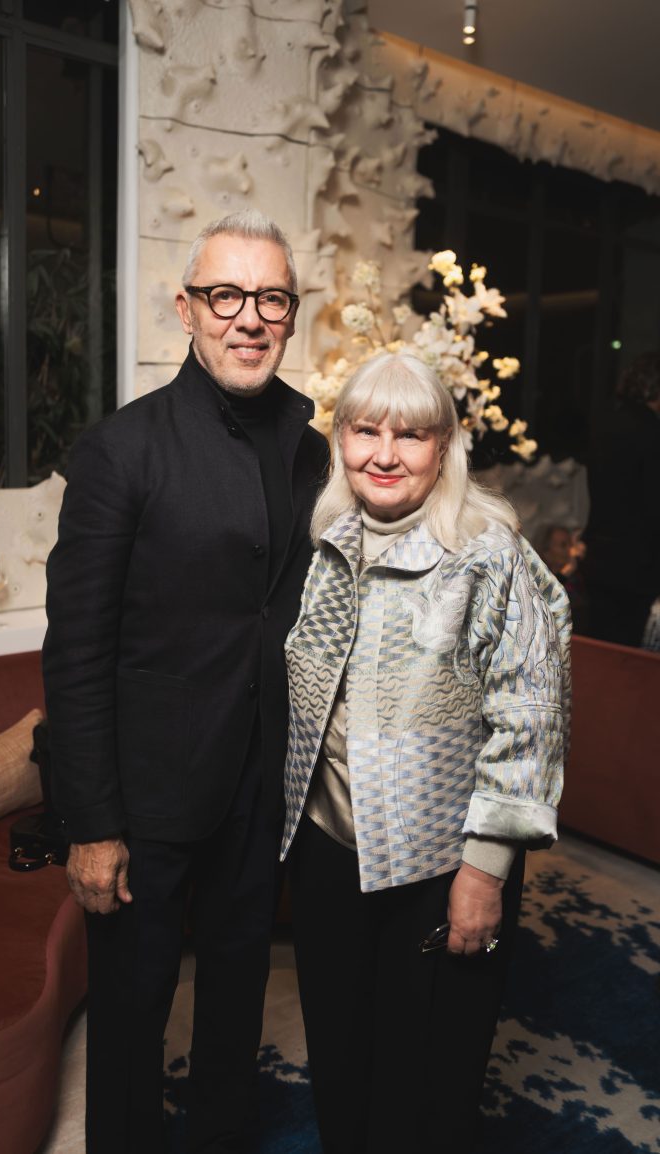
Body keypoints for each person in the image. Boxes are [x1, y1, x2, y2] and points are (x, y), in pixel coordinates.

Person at [42, 209, 329, 1154]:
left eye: (271, 298)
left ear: (291, 314)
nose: (249, 317)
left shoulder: (308, 444)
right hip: (146, 802)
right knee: (130, 1023)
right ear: (188, 309)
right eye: (226, 295)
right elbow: (76, 649)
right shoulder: (121, 451)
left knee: (237, 1001)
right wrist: (91, 824)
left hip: (256, 787)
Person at [280, 352, 571, 1153]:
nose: (384, 453)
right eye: (365, 429)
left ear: (444, 447)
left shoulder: (486, 551)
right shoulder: (324, 537)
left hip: (441, 866)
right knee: (340, 1057)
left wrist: (484, 872)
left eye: (410, 435)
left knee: (430, 1078)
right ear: (339, 439)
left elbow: (531, 718)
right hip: (332, 851)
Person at [582, 350, 660, 647]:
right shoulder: (651, 432)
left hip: (600, 555)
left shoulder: (605, 425)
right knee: (632, 657)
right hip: (637, 562)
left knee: (604, 649)